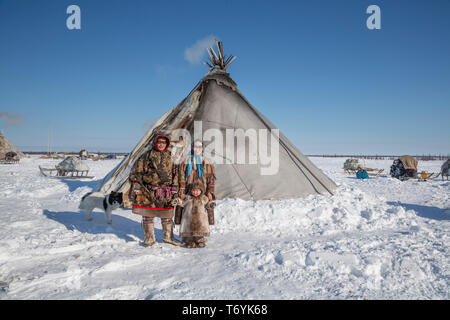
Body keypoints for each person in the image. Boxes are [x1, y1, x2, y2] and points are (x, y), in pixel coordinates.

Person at [128, 134, 182, 247]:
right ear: (156, 143)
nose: (161, 144)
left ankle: (168, 238)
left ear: (167, 144)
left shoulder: (171, 156)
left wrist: (175, 187)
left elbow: (176, 173)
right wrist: (136, 185)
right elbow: (137, 171)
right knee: (148, 214)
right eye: (159, 142)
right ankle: (149, 238)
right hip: (149, 190)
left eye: (163, 142)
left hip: (166, 191)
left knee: (167, 215)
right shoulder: (147, 156)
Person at [176, 139, 216, 233]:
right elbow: (181, 176)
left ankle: (200, 235)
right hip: (188, 192)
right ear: (192, 148)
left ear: (202, 149)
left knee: (201, 215)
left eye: (199, 147)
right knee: (187, 215)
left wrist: (210, 192)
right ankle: (188, 237)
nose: (197, 149)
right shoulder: (185, 161)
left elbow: (211, 179)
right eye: (195, 146)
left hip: (202, 192)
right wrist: (181, 191)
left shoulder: (207, 162)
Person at [173, 181, 215, 248]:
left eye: (197, 191)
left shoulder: (204, 198)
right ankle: (189, 242)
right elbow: (183, 203)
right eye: (193, 190)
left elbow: (207, 205)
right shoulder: (188, 198)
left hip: (200, 220)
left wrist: (211, 204)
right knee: (189, 234)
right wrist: (178, 201)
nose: (195, 192)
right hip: (189, 220)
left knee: (199, 233)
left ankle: (200, 241)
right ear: (191, 191)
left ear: (201, 191)